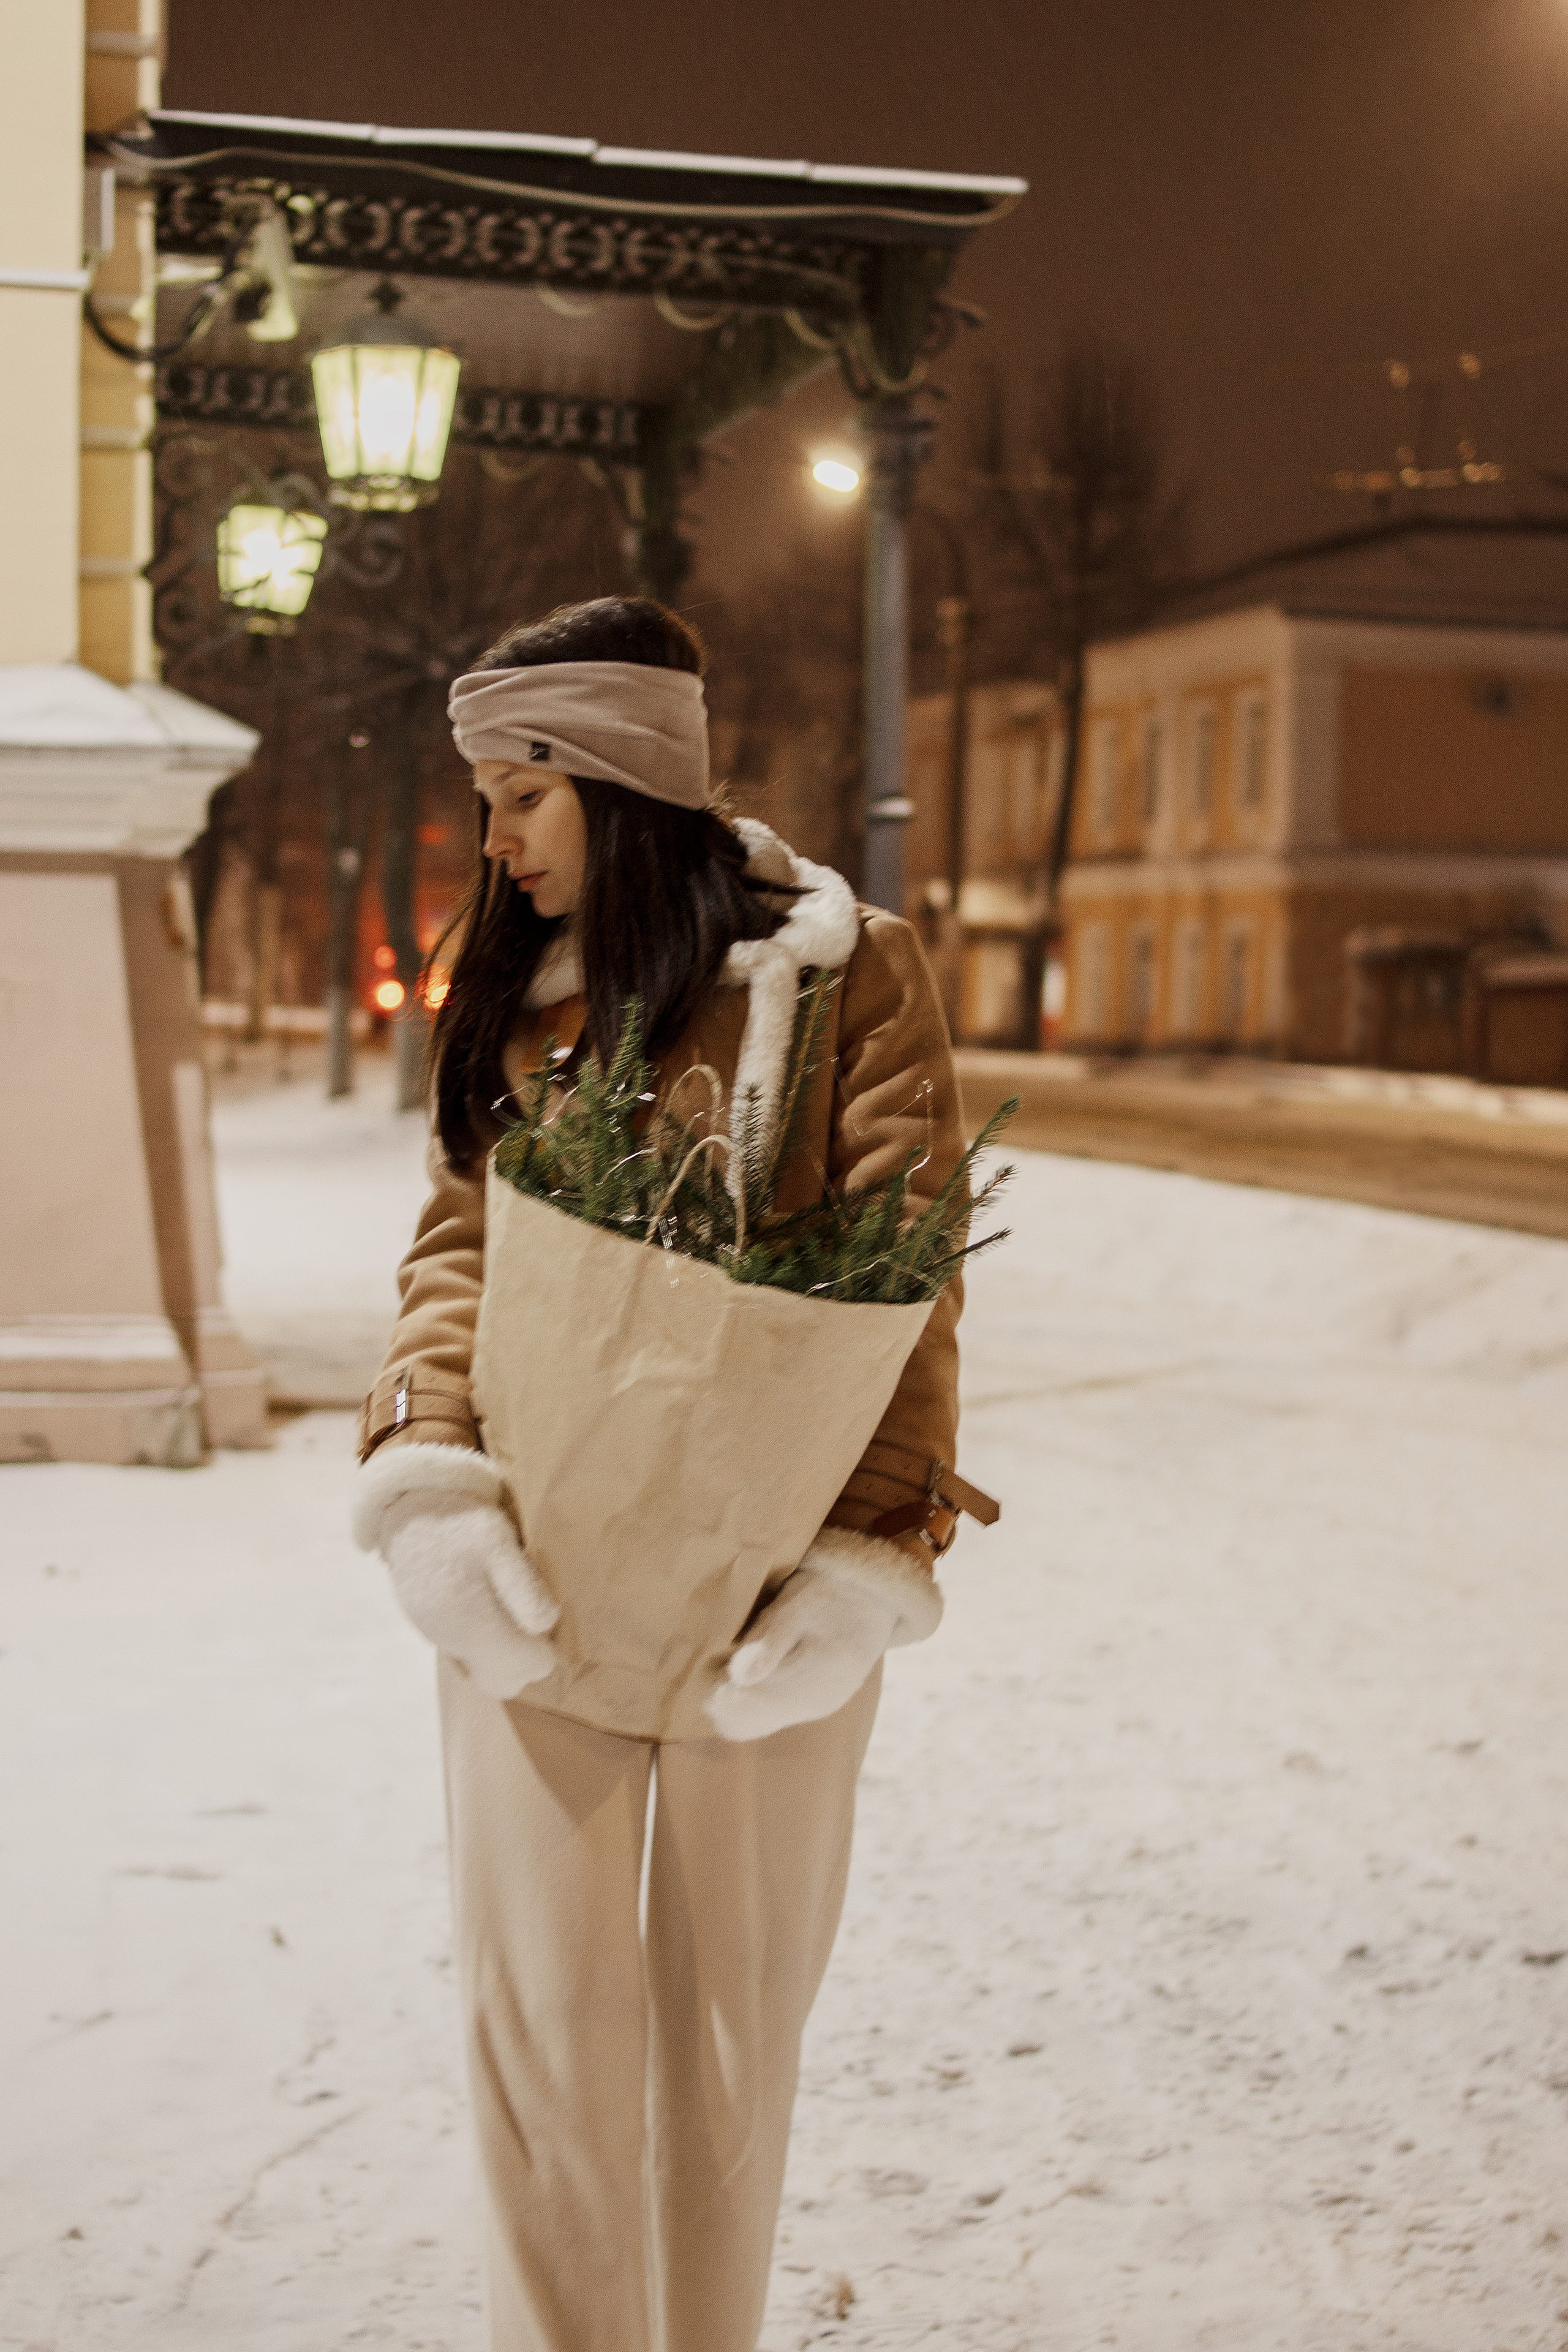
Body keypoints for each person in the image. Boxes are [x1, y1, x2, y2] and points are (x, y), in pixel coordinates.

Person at [352, 596, 977, 2352]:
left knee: (726, 2045)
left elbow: (908, 1264)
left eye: (524, 795)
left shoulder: (851, 972)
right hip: (531, 1586)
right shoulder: (514, 1002)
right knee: (541, 2034)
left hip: (763, 1593)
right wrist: (434, 1488)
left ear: (622, 782)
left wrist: (868, 1558)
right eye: (485, 797)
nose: (495, 842)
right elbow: (451, 1251)